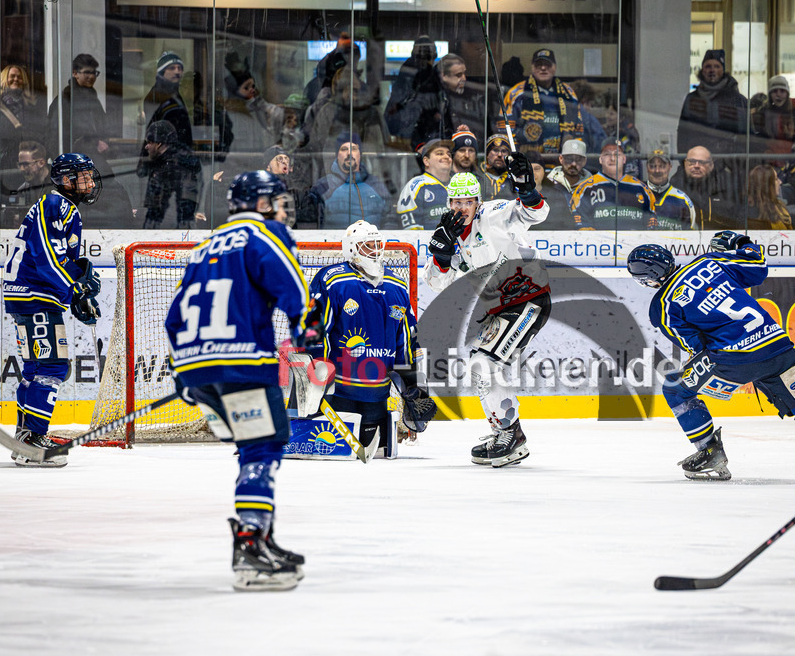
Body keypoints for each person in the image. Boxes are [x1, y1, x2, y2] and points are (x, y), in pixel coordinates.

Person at [626, 235, 795, 485]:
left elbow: (696, 345)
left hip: (734, 359)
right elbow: (758, 266)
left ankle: (710, 452)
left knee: (675, 388)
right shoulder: (708, 261)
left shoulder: (662, 306)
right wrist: (740, 241)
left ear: (648, 279)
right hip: (777, 347)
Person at [164, 170, 309, 592]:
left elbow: (174, 316)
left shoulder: (204, 246)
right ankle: (249, 547)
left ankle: (261, 538)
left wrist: (184, 372)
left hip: (197, 368)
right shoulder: (263, 235)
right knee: (261, 448)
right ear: (261, 204)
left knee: (251, 446)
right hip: (243, 366)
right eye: (277, 201)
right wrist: (311, 342)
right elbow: (295, 294)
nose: (282, 209)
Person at [424, 158, 550, 467]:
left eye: (468, 201)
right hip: (502, 309)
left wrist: (526, 189)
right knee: (480, 367)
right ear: (449, 203)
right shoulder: (449, 233)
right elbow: (436, 282)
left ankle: (510, 435)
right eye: (456, 202)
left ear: (478, 202)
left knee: (484, 364)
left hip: (529, 299)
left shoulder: (494, 214)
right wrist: (442, 255)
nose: (462, 207)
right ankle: (504, 433)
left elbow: (535, 213)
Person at [2, 153, 102, 466]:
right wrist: (77, 288)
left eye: (90, 176)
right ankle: (32, 441)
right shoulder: (56, 204)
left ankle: (24, 436)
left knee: (35, 368)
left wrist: (76, 289)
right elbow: (48, 257)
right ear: (66, 180)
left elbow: (56, 258)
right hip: (36, 296)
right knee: (53, 366)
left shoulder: (59, 205)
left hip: (29, 295)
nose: (90, 182)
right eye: (83, 176)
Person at [306, 220, 434, 456]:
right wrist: (316, 376)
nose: (375, 251)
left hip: (378, 394)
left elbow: (407, 338)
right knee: (336, 454)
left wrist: (413, 383)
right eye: (367, 245)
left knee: (377, 452)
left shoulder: (397, 285)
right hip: (338, 394)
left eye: (377, 245)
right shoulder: (333, 281)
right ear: (351, 248)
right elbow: (314, 330)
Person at [503, 49, 584, 159]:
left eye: (547, 64)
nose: (543, 68)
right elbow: (504, 129)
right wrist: (516, 156)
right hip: (527, 160)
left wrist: (573, 154)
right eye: (538, 64)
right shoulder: (516, 93)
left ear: (555, 67)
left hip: (561, 161)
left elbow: (578, 129)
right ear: (532, 67)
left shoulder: (568, 93)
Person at [307, 131, 392, 229]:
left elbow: (390, 219)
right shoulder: (323, 186)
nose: (349, 153)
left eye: (354, 149)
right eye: (344, 149)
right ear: (337, 155)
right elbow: (312, 224)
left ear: (360, 154)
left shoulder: (376, 184)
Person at [676, 50, 748, 159]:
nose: (712, 70)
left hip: (728, 164)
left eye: (717, 66)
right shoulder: (692, 99)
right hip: (699, 163)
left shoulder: (738, 100)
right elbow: (683, 134)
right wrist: (685, 162)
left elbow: (745, 137)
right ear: (702, 70)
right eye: (708, 66)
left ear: (723, 70)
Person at [570, 140, 657, 230]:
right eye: (607, 154)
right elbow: (579, 221)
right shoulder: (585, 188)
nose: (612, 158)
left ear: (624, 159)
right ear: (600, 159)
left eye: (617, 154)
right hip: (600, 239)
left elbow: (651, 222)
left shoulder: (641, 188)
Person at [137, 120, 202, 229]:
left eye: (150, 142)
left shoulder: (168, 170)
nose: (146, 147)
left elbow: (154, 214)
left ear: (159, 144)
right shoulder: (176, 163)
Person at [47, 54, 111, 166]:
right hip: (75, 161)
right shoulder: (66, 98)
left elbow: (102, 127)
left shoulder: (92, 98)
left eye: (94, 73)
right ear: (75, 73)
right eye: (87, 72)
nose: (91, 76)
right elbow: (54, 137)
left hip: (92, 159)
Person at [670, 145, 741, 230]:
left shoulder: (724, 185)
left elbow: (736, 219)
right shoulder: (675, 186)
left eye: (702, 162)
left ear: (711, 165)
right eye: (692, 162)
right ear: (685, 164)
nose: (696, 166)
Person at [384, 35, 438, 147]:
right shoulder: (408, 79)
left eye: (428, 57)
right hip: (410, 142)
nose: (426, 62)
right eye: (420, 57)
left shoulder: (433, 81)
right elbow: (394, 120)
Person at [397, 138, 454, 230]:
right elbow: (410, 228)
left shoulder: (458, 184)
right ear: (426, 161)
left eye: (449, 154)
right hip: (426, 239)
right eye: (440, 153)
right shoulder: (415, 186)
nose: (447, 157)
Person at [143, 52, 192, 150]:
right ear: (162, 72)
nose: (177, 72)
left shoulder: (176, 94)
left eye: (179, 68)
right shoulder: (155, 96)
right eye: (172, 68)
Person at [544, 138, 591, 228]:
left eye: (578, 160)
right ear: (561, 159)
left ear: (584, 161)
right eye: (569, 159)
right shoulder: (548, 182)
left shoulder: (593, 185)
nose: (573, 164)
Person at [645, 148, 695, 230]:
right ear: (647, 168)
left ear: (670, 167)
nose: (657, 171)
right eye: (652, 166)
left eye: (662, 166)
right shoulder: (637, 193)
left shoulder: (682, 199)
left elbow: (691, 233)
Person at [745, 164, 791, 230]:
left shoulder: (781, 208)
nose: (780, 182)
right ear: (766, 186)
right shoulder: (750, 214)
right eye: (776, 179)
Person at [478, 134, 513, 201]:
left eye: (504, 151)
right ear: (487, 154)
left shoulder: (514, 179)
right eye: (495, 150)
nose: (499, 155)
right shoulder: (477, 177)